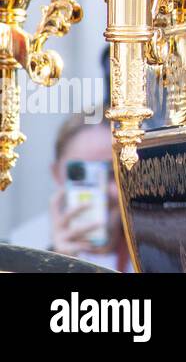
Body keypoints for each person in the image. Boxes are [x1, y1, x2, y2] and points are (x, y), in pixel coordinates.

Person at [7, 110, 132, 272]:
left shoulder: (149, 247)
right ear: (57, 174)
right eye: (81, 174)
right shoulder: (24, 245)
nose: (99, 193)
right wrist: (54, 262)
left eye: (111, 173)